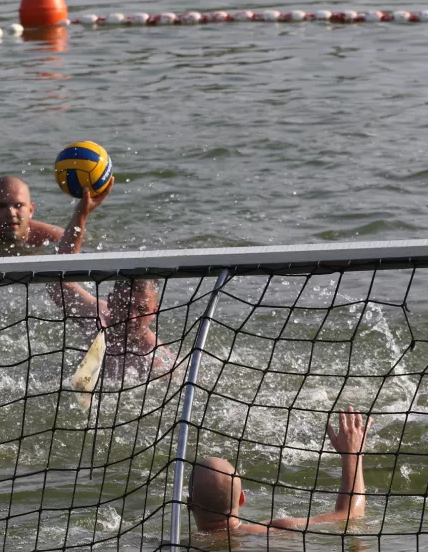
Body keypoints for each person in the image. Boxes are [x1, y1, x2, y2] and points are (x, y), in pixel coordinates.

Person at [187, 406, 372, 534]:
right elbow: (349, 517)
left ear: (189, 504)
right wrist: (353, 456)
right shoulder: (272, 532)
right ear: (242, 498)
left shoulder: (179, 544)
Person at [47, 188, 172, 376]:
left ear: (155, 311)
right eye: (124, 305)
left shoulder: (156, 360)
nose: (131, 317)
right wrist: (81, 214)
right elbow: (57, 279)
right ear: (111, 300)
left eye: (140, 309)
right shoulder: (97, 317)